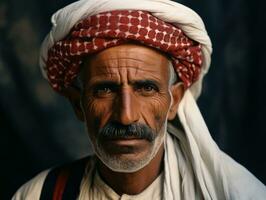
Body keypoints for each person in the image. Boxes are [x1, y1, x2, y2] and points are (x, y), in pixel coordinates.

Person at [12, 0, 266, 199]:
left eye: (146, 88)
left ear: (174, 100)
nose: (126, 115)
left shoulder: (235, 194)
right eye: (105, 90)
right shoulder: (39, 194)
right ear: (78, 104)